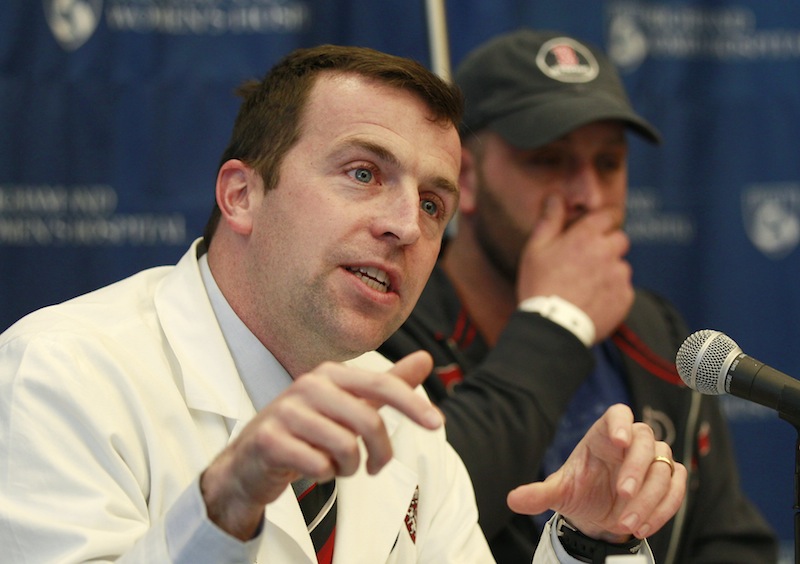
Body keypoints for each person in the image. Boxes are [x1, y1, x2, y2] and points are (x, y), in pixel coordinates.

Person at [0, 44, 684, 563]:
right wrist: (223, 508)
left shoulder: (404, 417)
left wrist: (592, 543)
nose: (405, 226)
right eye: (363, 173)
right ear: (241, 195)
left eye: (431, 202)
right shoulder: (59, 374)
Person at [379, 28, 778, 564]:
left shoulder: (653, 328)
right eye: (548, 161)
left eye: (608, 164)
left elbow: (730, 542)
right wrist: (556, 324)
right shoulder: (391, 321)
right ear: (464, 179)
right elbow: (408, 519)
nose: (588, 195)